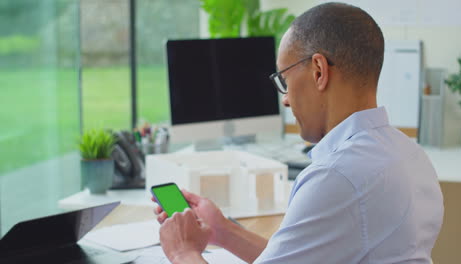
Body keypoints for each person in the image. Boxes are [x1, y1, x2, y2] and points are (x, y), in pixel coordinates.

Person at [153, 3, 444, 264]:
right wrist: (223, 231)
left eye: (284, 79)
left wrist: (182, 252)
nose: (285, 99)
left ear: (319, 71)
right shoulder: (410, 155)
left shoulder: (337, 176)